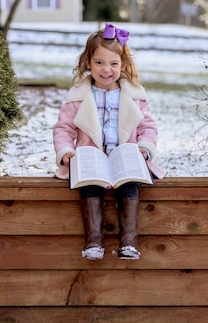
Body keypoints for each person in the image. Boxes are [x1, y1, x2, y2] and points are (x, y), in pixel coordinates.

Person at [53, 22, 163, 260]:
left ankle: (129, 242)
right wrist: (65, 152)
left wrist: (144, 149)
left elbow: (147, 128)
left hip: (124, 159)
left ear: (123, 65)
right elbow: (63, 129)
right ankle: (93, 241)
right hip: (92, 160)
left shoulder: (134, 96)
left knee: (130, 185)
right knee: (90, 185)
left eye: (113, 63)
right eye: (99, 63)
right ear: (88, 63)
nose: (106, 70)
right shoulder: (78, 97)